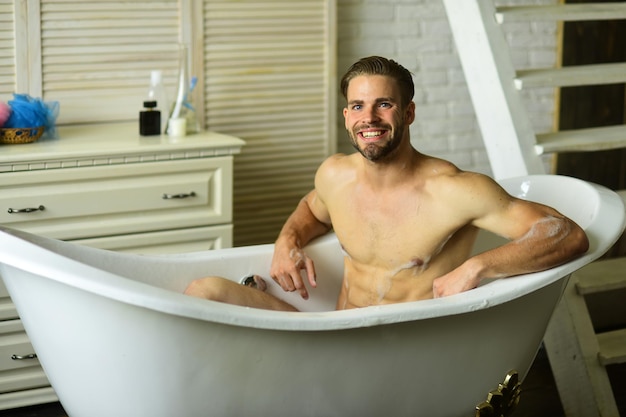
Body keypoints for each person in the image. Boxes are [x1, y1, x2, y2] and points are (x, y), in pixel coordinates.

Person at [184, 56, 589, 311]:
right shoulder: (335, 175)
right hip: (332, 334)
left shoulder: (454, 190)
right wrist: (286, 241)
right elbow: (312, 210)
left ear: (409, 113)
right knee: (204, 291)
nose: (370, 118)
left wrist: (477, 267)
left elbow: (565, 234)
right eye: (358, 106)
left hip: (399, 350)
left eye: (385, 104)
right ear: (346, 116)